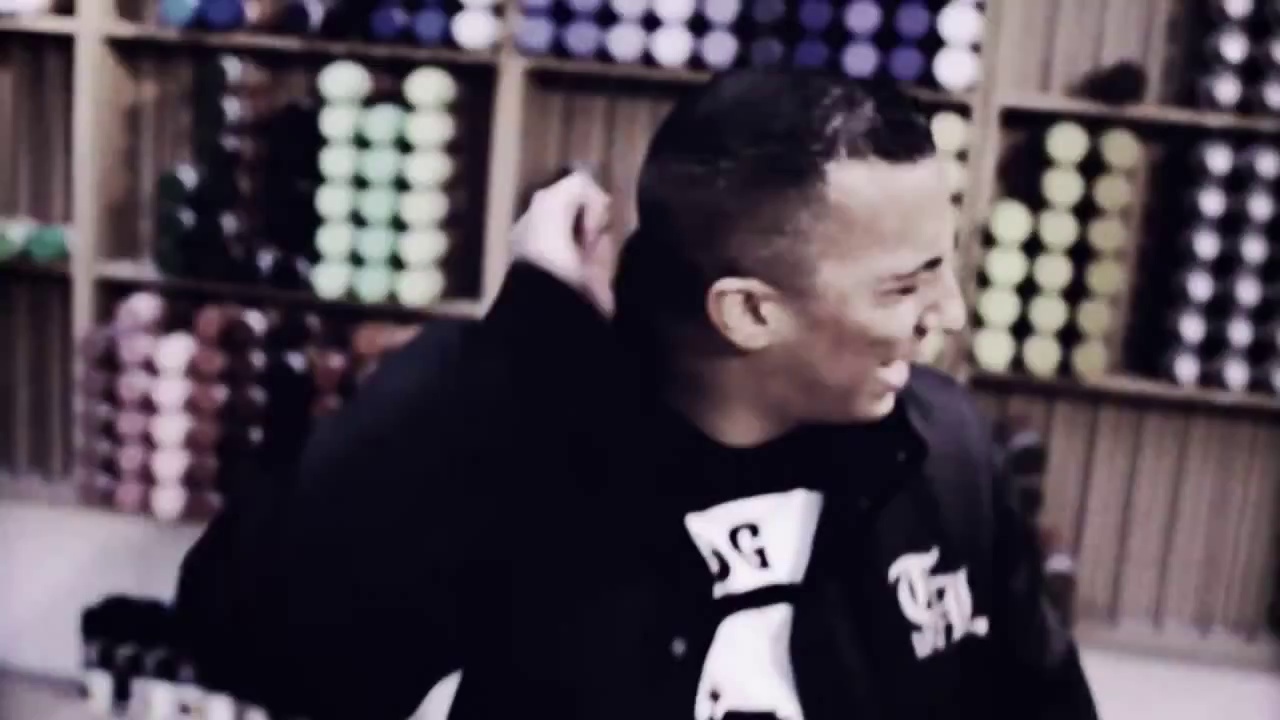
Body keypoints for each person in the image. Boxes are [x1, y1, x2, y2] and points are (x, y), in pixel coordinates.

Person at [173, 69, 1098, 720]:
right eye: (904, 287)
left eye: (944, 268)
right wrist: (523, 340)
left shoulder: (945, 449)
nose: (952, 314)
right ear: (748, 311)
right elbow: (250, 632)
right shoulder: (530, 450)